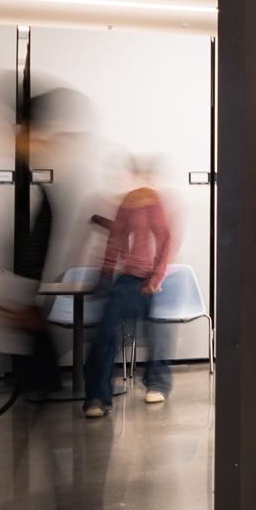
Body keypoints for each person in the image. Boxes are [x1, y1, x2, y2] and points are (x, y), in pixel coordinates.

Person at [85, 155, 177, 416]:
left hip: (151, 281)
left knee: (157, 331)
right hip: (126, 279)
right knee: (105, 334)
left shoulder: (155, 203)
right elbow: (115, 241)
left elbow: (165, 240)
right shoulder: (128, 203)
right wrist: (104, 276)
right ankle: (97, 397)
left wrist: (155, 279)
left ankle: (157, 383)